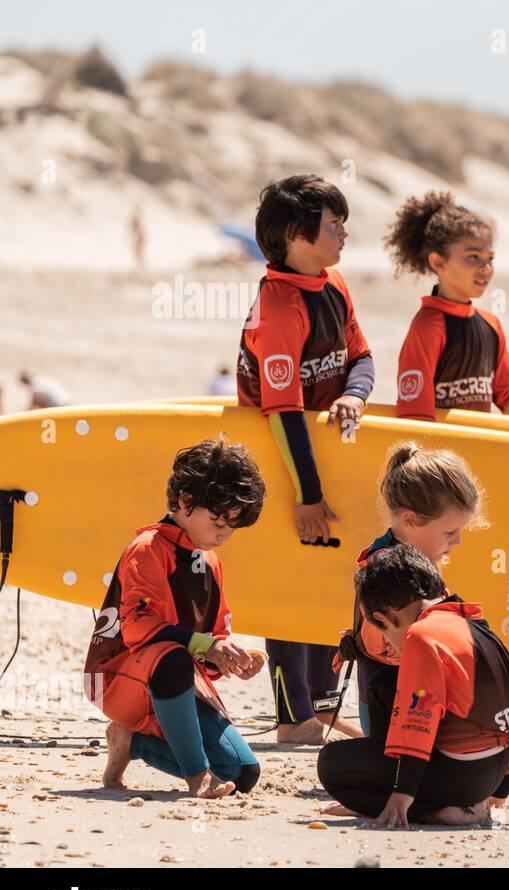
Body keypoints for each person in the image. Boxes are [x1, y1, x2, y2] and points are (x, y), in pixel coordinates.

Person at [236, 173, 373, 744]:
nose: (344, 231)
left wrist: (352, 394)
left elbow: (363, 356)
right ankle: (293, 719)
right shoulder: (280, 307)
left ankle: (321, 708)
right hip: (281, 459)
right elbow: (282, 410)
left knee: (331, 580)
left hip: (322, 455)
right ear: (296, 234)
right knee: (290, 584)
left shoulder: (334, 284)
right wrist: (307, 495)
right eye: (333, 223)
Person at [332, 441, 509, 793]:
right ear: (410, 520)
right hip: (397, 699)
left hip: (426, 699)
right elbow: (386, 649)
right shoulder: (385, 571)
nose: (458, 541)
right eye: (449, 532)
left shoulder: (418, 563)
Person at [87, 438, 267, 797]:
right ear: (185, 501)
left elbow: (211, 641)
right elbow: (140, 628)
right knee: (172, 658)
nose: (224, 534)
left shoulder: (210, 560)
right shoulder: (148, 549)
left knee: (243, 773)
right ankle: (195, 778)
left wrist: (232, 658)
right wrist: (206, 646)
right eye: (218, 521)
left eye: (232, 526)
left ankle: (129, 740)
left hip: (173, 684)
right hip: (117, 679)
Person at [318, 545, 509, 827]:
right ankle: (467, 804)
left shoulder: (421, 636)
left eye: (384, 633)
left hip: (458, 775)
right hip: (492, 770)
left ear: (384, 618)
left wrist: (401, 796)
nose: (389, 643)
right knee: (384, 684)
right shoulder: (474, 623)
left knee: (332, 764)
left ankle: (439, 812)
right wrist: (500, 790)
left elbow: (417, 722)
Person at [383, 191, 509, 429]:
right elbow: (415, 410)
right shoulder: (428, 325)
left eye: (489, 258)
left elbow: (508, 394)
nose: (485, 267)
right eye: (473, 257)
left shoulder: (490, 324)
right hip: (440, 460)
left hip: (477, 452)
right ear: (438, 262)